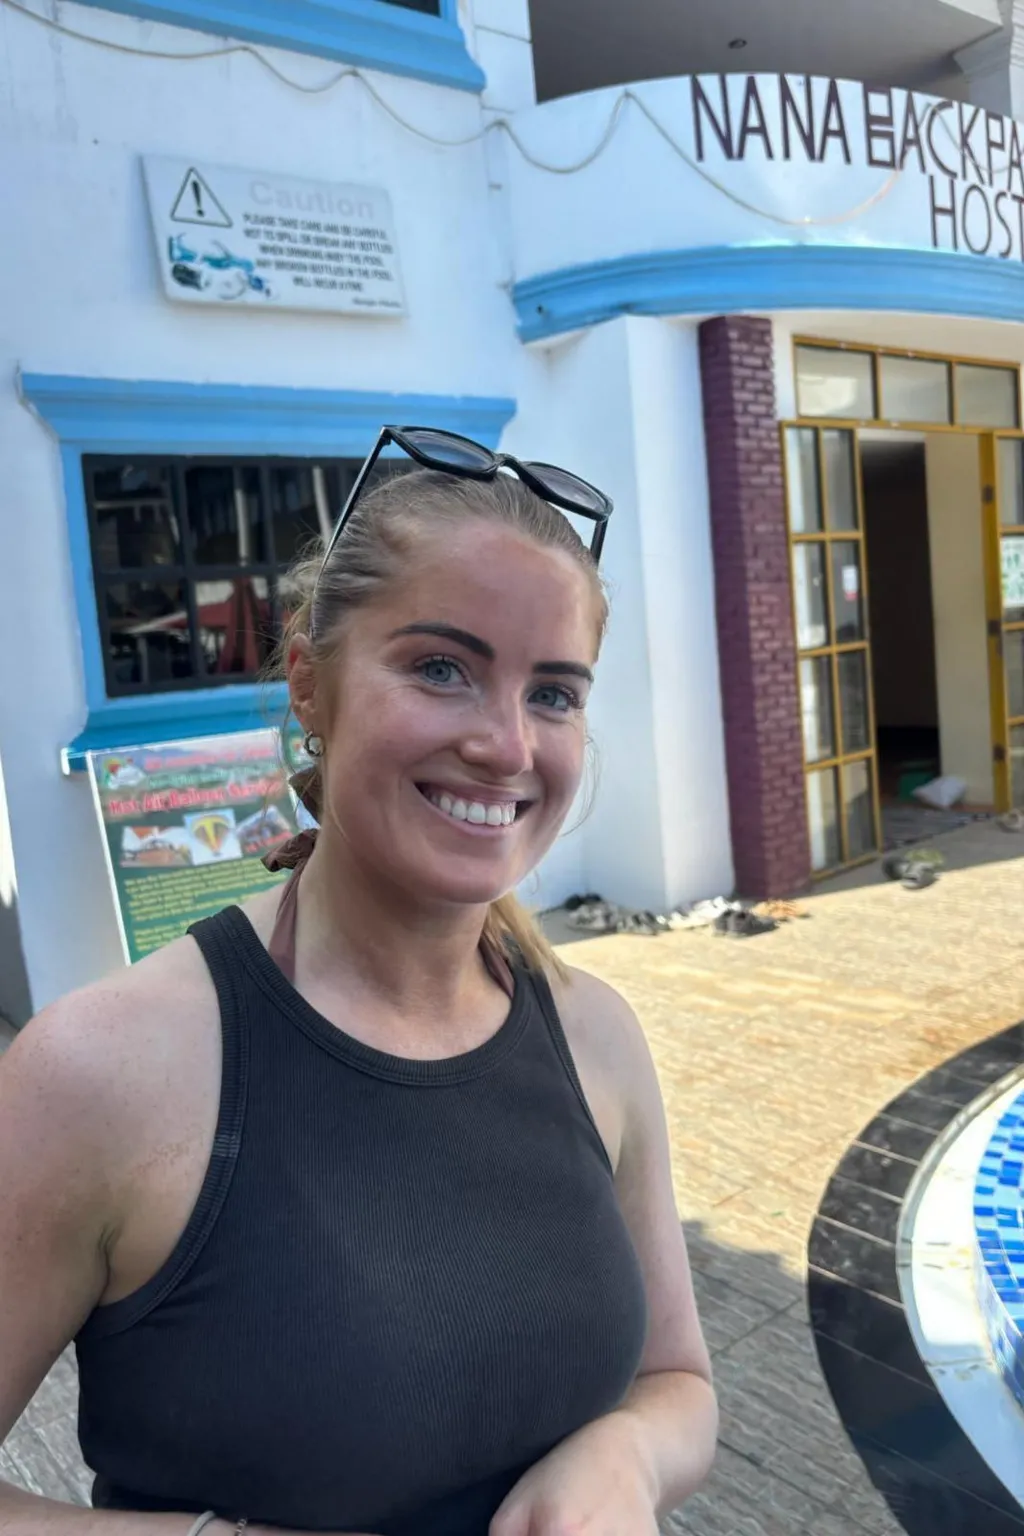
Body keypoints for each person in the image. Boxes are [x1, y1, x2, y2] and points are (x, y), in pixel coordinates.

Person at [0, 428, 717, 1536]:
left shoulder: (595, 1036)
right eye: (441, 667)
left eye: (555, 694)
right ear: (309, 683)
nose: (506, 745)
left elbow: (681, 1384)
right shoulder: (101, 1073)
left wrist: (624, 1454)